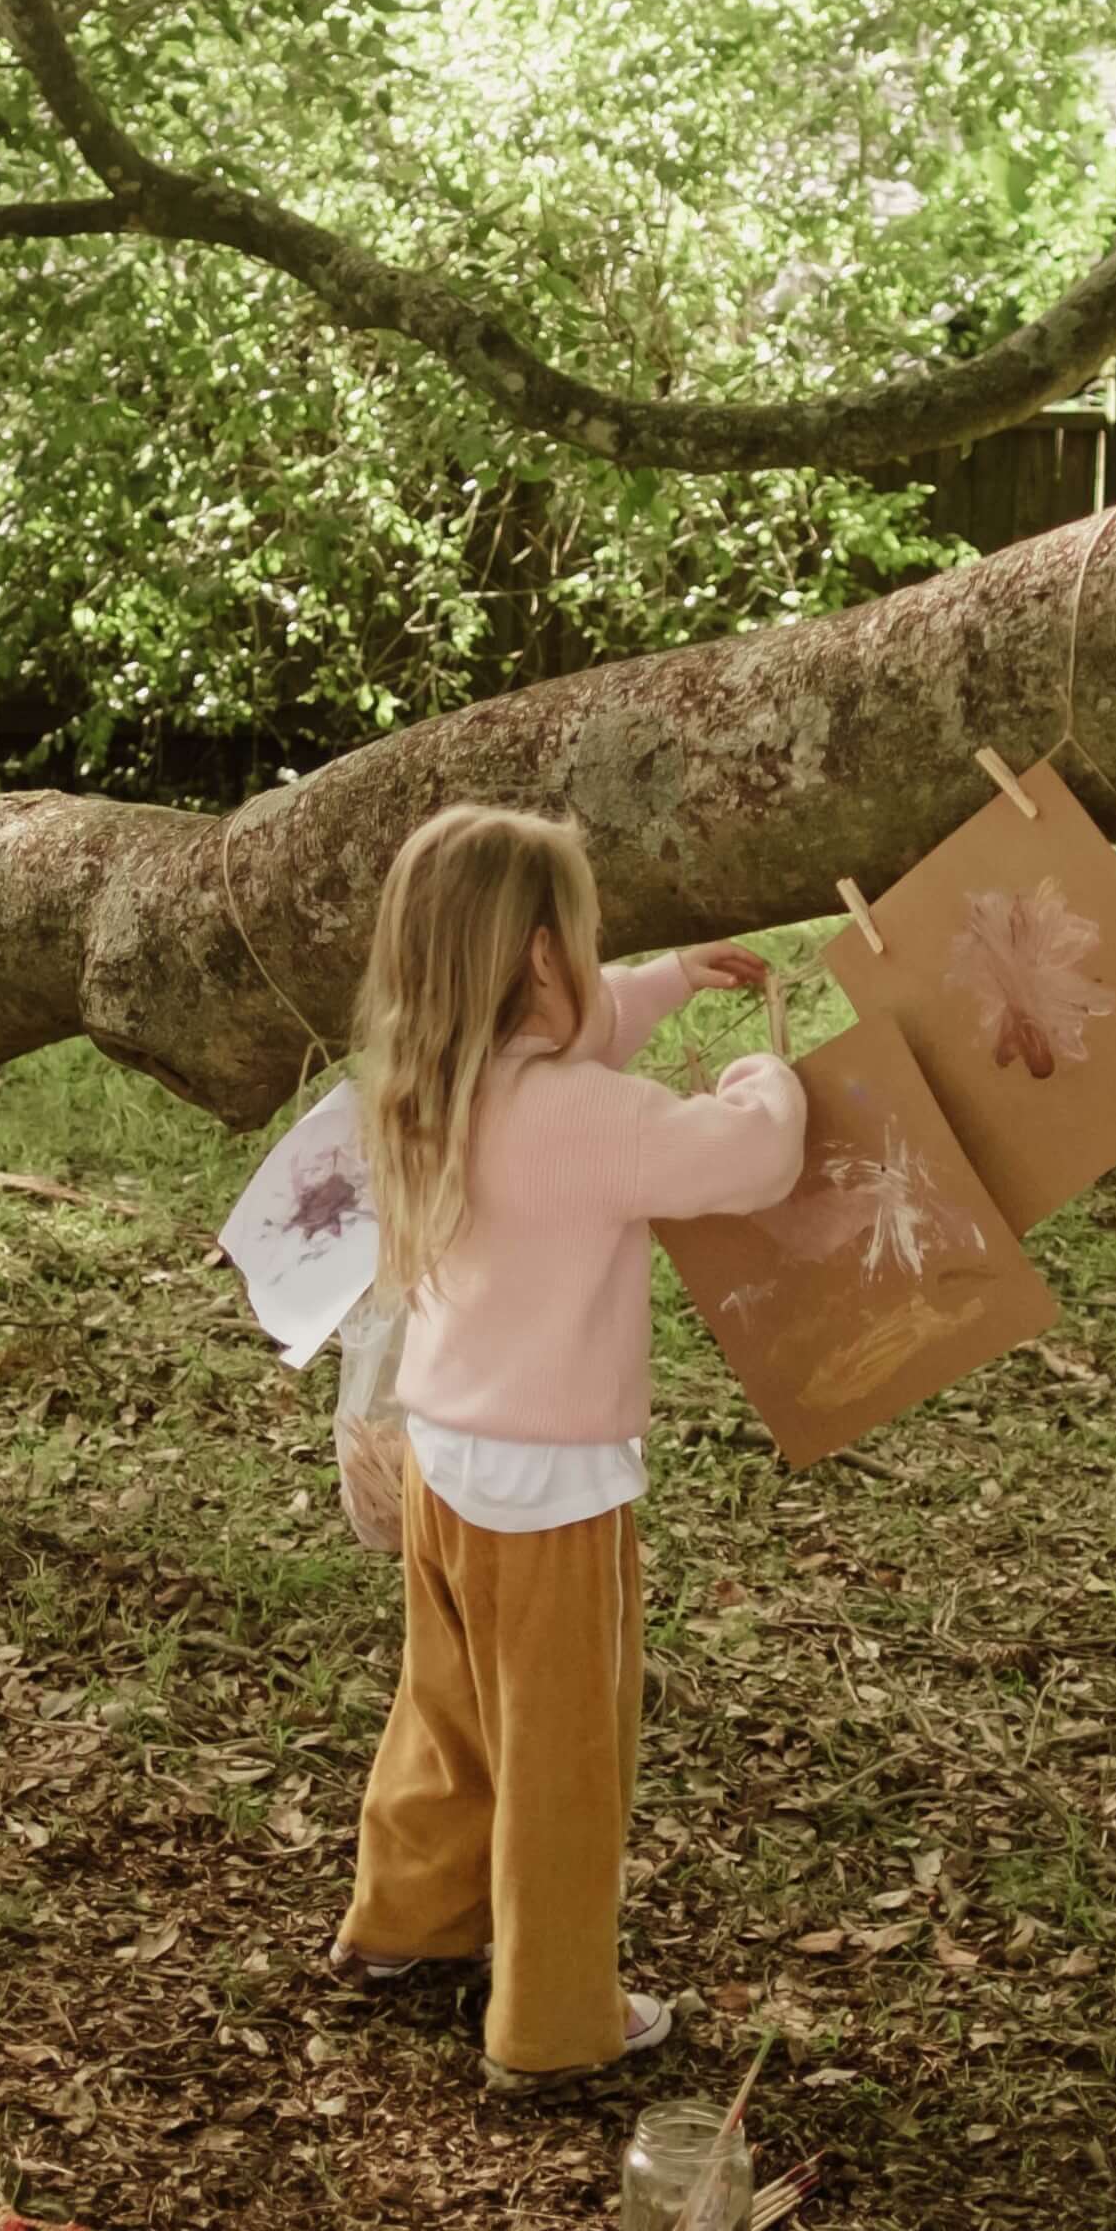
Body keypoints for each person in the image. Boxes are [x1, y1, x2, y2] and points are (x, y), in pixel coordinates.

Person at [331, 802, 805, 2088]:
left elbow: (571, 1027)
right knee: (563, 1763)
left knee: (448, 1716)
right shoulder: (587, 1116)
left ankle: (404, 1925)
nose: (601, 970)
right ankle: (553, 2023)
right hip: (546, 1495)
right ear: (543, 958)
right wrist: (766, 1077)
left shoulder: (428, 1078)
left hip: (443, 1463)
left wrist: (664, 982)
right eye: (592, 947)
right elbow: (749, 1158)